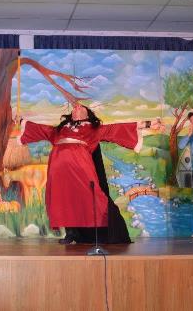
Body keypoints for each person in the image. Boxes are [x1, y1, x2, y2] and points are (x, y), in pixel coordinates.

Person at [17, 103, 162, 244]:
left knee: (89, 196)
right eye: (75, 107)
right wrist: (21, 121)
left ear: (88, 114)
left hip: (80, 167)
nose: (77, 106)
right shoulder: (60, 130)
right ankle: (71, 232)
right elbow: (41, 129)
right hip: (58, 169)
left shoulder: (93, 129)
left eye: (81, 107)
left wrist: (148, 124)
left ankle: (100, 230)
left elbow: (115, 129)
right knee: (63, 198)